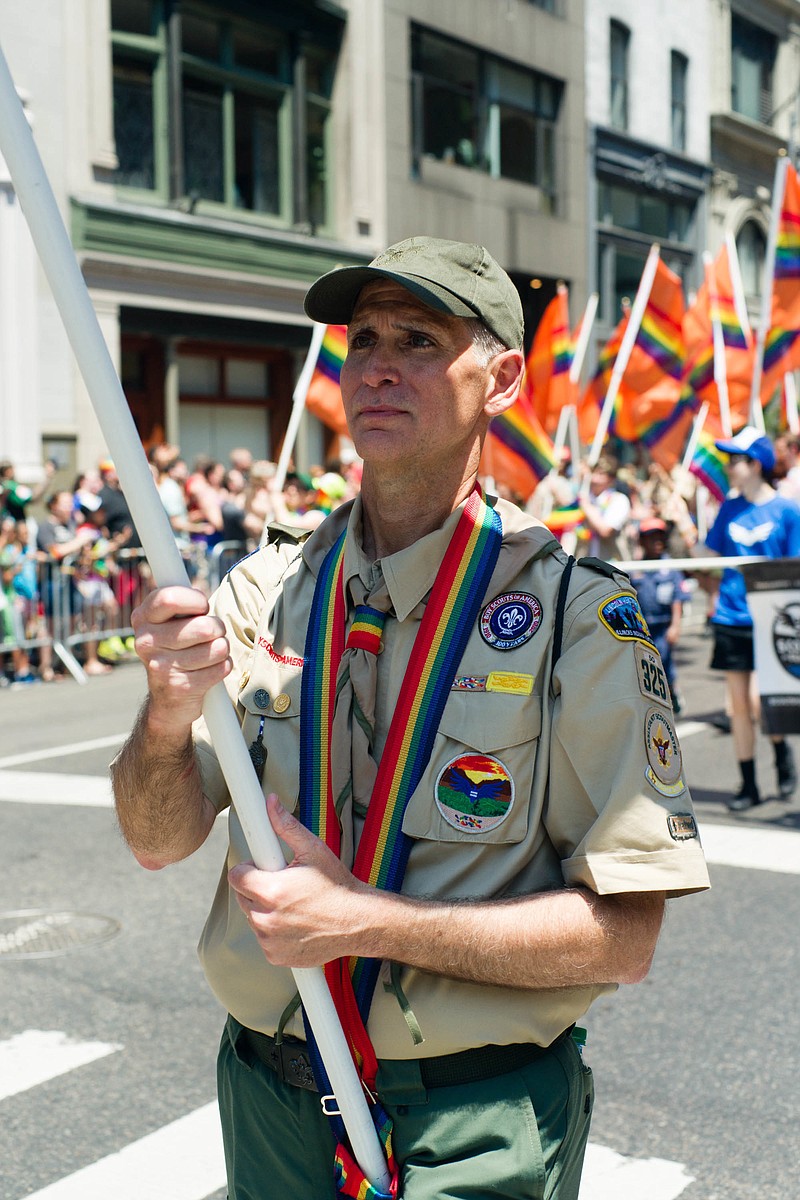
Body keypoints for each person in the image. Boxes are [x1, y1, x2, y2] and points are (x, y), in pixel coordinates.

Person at [112, 236, 709, 1200]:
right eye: (366, 340)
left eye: (422, 340)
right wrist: (165, 722)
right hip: (270, 1099)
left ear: (503, 377)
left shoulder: (578, 617)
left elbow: (623, 939)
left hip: (470, 1121)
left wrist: (363, 923)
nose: (381, 366)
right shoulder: (262, 591)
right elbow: (156, 840)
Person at [694, 426, 800, 811]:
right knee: (737, 704)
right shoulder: (729, 508)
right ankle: (749, 783)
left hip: (772, 619)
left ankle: (781, 753)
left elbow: (793, 569)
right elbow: (708, 555)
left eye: (735, 460)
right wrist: (685, 532)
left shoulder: (788, 511)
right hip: (731, 615)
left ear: (756, 464)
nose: (729, 467)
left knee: (759, 701)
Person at [629, 517, 687, 713]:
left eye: (660, 537)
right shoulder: (636, 568)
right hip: (643, 628)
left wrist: (675, 626)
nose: (657, 542)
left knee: (664, 663)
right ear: (642, 541)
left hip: (663, 625)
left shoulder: (669, 566)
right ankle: (650, 700)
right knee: (643, 664)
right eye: (651, 538)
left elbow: (678, 598)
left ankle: (672, 693)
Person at [577, 453, 632, 561]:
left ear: (611, 479)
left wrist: (586, 506)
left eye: (601, 474)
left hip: (611, 569)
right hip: (583, 568)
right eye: (593, 472)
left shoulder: (619, 500)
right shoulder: (580, 497)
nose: (594, 478)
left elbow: (605, 530)